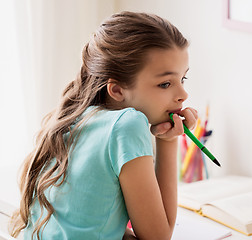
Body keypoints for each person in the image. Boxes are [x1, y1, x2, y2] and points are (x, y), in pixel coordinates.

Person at [10, 11, 197, 240]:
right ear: (117, 90)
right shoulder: (128, 124)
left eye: (183, 79)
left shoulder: (73, 119)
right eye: (165, 83)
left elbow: (84, 220)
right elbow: (157, 237)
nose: (183, 94)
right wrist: (168, 140)